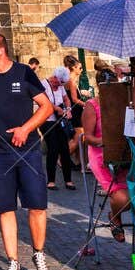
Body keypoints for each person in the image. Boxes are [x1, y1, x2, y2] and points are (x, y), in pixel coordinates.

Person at [0, 32, 54, 270]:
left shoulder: (24, 73)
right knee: (5, 207)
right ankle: (13, 263)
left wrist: (25, 128)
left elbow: (46, 107)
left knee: (37, 205)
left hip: (27, 149)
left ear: (0, 51)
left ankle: (39, 257)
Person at [80, 91, 130, 241]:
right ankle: (114, 217)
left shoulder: (125, 101)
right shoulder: (92, 105)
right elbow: (88, 137)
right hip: (101, 154)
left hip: (124, 153)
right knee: (123, 198)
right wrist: (107, 141)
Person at [40, 63, 75, 192]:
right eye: (58, 83)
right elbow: (44, 102)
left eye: (61, 84)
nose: (59, 86)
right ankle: (51, 181)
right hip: (47, 121)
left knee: (65, 149)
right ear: (54, 77)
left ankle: (68, 180)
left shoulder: (60, 87)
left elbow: (66, 99)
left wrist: (68, 109)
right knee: (53, 149)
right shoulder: (43, 84)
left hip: (60, 121)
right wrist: (56, 109)